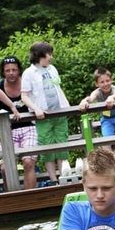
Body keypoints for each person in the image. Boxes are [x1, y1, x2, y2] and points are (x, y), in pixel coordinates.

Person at [20, 41, 71, 183]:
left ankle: (64, 176)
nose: (50, 57)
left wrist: (66, 106)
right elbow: (24, 96)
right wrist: (36, 108)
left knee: (62, 144)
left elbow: (57, 88)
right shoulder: (28, 73)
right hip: (43, 117)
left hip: (59, 112)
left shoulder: (52, 69)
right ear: (40, 55)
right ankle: (53, 179)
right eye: (49, 54)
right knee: (47, 147)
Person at [0, 55, 40, 189]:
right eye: (8, 70)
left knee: (28, 162)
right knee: (5, 167)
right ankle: (12, 197)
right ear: (3, 72)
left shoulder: (27, 83)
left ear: (19, 70)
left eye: (14, 70)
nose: (11, 73)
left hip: (30, 127)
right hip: (8, 130)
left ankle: (30, 196)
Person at [79, 67, 115, 137]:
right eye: (102, 82)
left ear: (111, 80)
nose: (105, 84)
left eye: (107, 81)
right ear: (97, 84)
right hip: (107, 119)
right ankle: (107, 147)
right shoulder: (97, 92)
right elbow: (90, 98)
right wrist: (84, 101)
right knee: (105, 141)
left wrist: (111, 97)